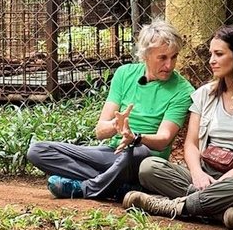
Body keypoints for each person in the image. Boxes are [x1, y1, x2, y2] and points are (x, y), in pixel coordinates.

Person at [123, 24, 233, 230]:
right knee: (149, 167)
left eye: (219, 54)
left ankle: (170, 206)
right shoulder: (205, 94)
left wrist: (227, 178)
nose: (211, 60)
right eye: (211, 53)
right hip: (205, 174)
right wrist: (197, 174)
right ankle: (220, 213)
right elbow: (191, 143)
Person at [26, 20, 195, 201]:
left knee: (137, 151)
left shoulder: (183, 90)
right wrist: (116, 125)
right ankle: (117, 185)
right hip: (111, 153)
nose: (169, 65)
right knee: (38, 151)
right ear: (145, 55)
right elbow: (100, 131)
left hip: (143, 158)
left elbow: (163, 140)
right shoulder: (124, 74)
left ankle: (85, 189)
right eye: (162, 58)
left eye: (174, 57)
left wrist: (135, 137)